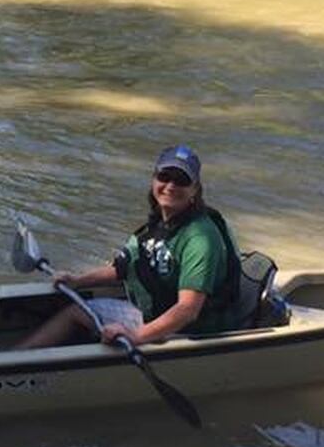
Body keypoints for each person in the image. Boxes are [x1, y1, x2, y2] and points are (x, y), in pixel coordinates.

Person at [16, 145, 243, 350]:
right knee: (75, 311)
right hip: (156, 313)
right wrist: (77, 281)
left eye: (181, 180)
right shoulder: (158, 225)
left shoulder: (200, 238)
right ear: (154, 180)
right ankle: (16, 356)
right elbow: (122, 267)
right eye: (165, 176)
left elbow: (188, 310)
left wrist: (136, 336)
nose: (171, 186)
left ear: (195, 190)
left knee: (83, 317)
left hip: (191, 331)